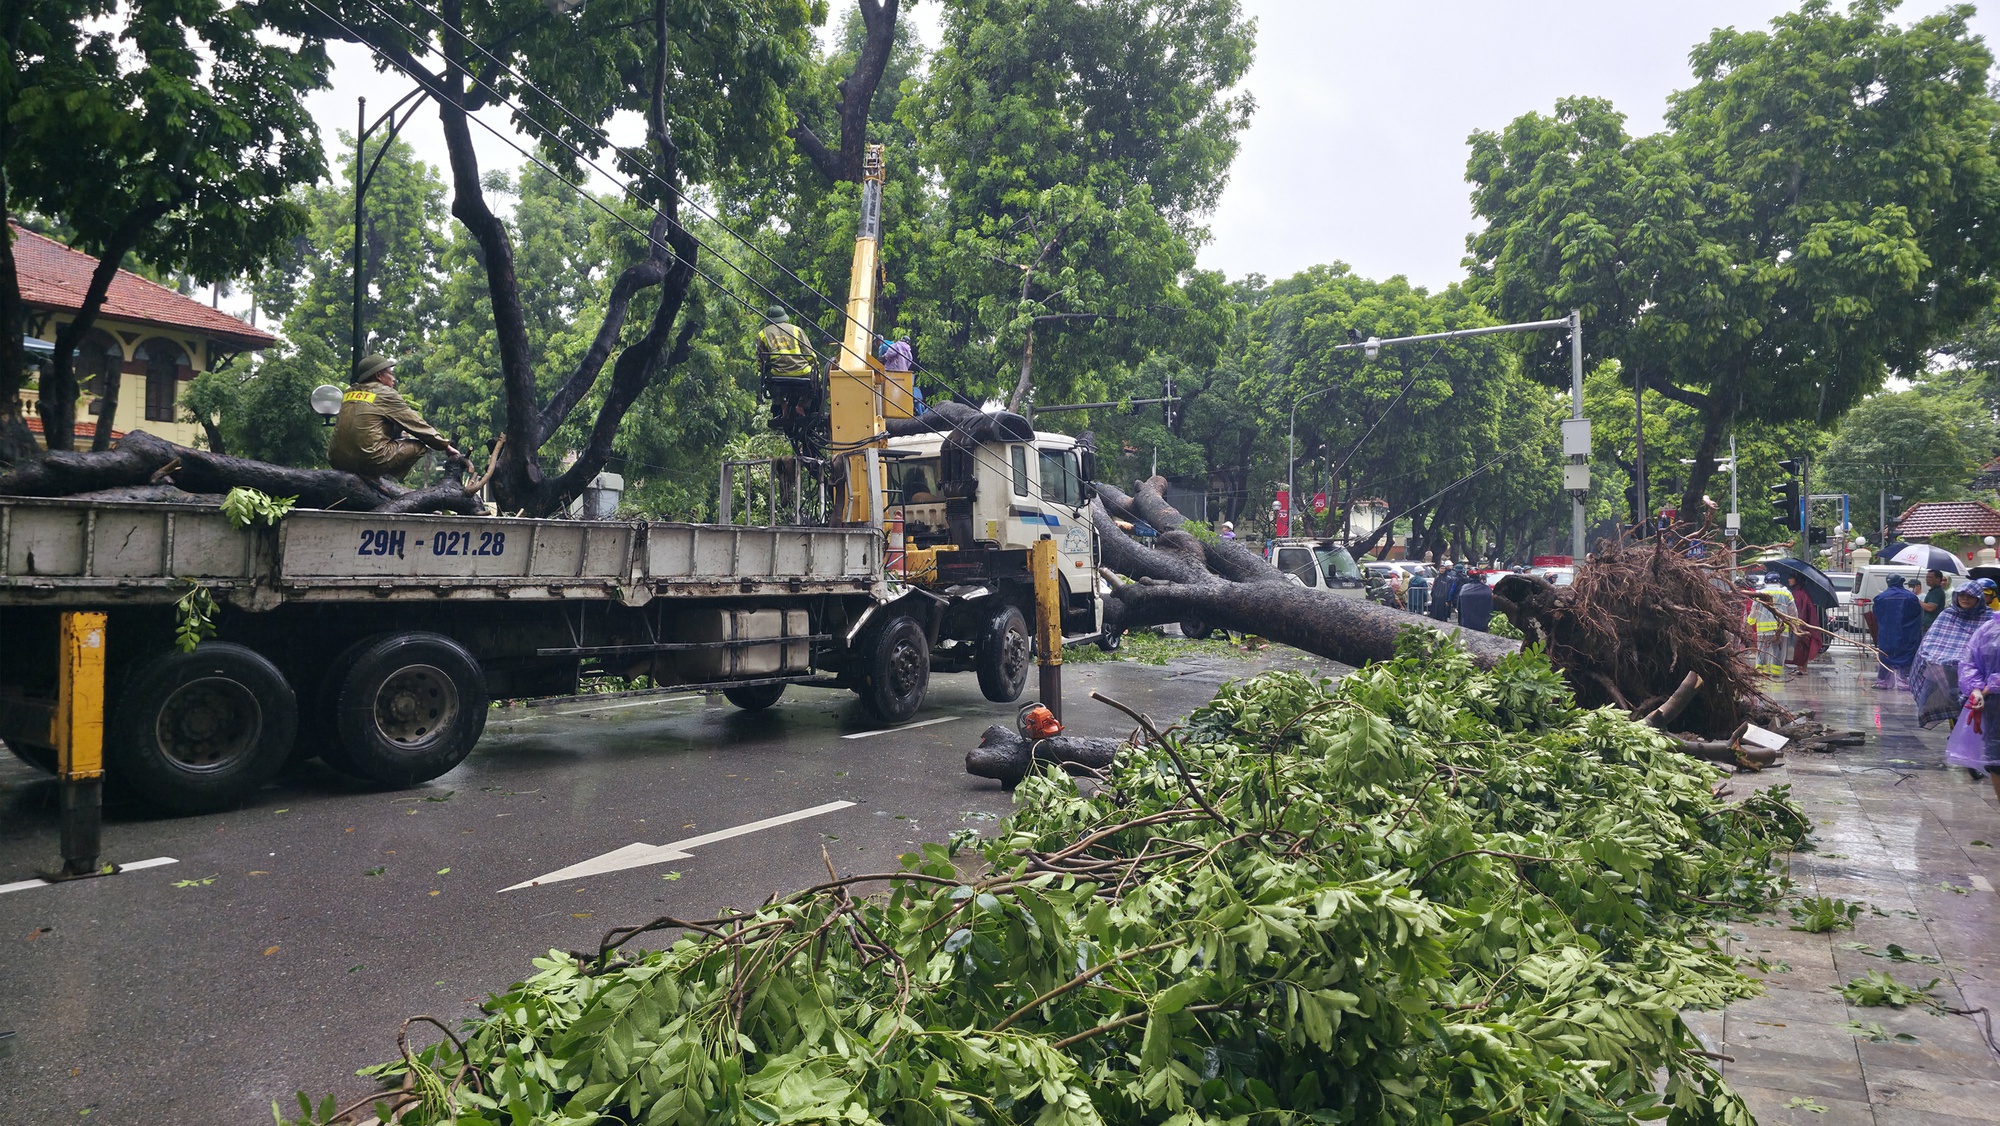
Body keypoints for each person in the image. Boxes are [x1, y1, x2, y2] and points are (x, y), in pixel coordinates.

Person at [327, 354, 459, 480]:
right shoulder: (385, 393)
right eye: (390, 374)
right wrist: (444, 445)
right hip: (369, 460)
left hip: (336, 460)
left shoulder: (349, 392)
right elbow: (415, 424)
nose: (394, 379)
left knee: (393, 424)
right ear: (378, 375)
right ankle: (385, 478)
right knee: (419, 446)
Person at [1911, 580, 1994, 729]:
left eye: (1970, 596)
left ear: (1979, 598)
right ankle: (1956, 731)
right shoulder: (1948, 615)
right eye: (1961, 595)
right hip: (1950, 669)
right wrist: (1936, 656)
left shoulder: (1989, 617)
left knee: (1976, 704)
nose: (1965, 598)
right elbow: (1930, 642)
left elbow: (1993, 644)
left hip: (1979, 672)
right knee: (1954, 700)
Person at [1956, 602, 2000, 798]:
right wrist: (1976, 689)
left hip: (1991, 698)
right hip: (1994, 707)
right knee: (1996, 761)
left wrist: (1989, 687)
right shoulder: (1989, 629)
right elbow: (1969, 662)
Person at [756, 305, 818, 425]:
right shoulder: (796, 330)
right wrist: (815, 366)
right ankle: (801, 405)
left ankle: (784, 406)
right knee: (817, 383)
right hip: (803, 371)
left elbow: (761, 359)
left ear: (768, 319)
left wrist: (761, 370)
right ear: (784, 317)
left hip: (778, 374)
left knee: (768, 380)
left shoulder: (763, 333)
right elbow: (809, 353)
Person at [1871, 574, 1923, 689]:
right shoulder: (1911, 597)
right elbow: (1917, 614)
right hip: (1907, 632)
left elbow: (1877, 614)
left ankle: (1883, 681)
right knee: (1906, 656)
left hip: (1886, 633)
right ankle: (1904, 681)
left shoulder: (1880, 597)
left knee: (1885, 655)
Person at [1785, 575, 1824, 676]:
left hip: (1800, 624)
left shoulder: (1799, 594)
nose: (1789, 579)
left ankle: (1802, 668)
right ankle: (1801, 667)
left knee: (1801, 646)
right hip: (1801, 624)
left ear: (1796, 579)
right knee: (1801, 646)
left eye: (1791, 578)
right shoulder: (1800, 592)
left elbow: (1799, 610)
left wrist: (1798, 625)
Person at [1747, 588, 1785, 677]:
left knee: (1762, 650)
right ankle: (1776, 673)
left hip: (1763, 629)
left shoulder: (1759, 593)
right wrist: (1794, 623)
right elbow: (1792, 610)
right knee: (1778, 651)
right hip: (1780, 629)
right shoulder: (1785, 593)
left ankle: (1761, 671)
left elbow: (1754, 610)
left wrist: (1750, 621)